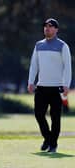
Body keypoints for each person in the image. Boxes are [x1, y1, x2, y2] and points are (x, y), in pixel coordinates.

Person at [27, 18, 72, 153]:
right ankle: (48, 138)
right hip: (41, 87)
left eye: (51, 26)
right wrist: (31, 82)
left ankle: (53, 144)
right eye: (46, 26)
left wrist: (66, 84)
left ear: (56, 30)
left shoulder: (62, 46)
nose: (47, 28)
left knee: (55, 117)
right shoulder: (38, 45)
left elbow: (67, 67)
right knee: (39, 114)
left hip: (57, 88)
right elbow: (34, 65)